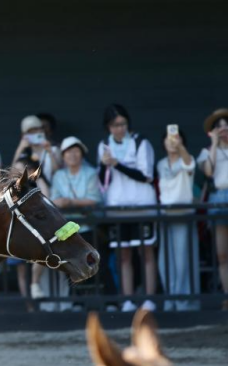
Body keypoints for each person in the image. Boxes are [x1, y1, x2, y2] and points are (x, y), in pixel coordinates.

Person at [97, 104, 157, 312]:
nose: (119, 128)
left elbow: (146, 176)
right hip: (118, 208)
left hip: (142, 205)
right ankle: (127, 299)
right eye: (114, 125)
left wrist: (117, 164)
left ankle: (149, 298)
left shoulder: (141, 142)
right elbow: (102, 180)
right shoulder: (104, 145)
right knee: (123, 255)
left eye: (122, 123)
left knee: (146, 252)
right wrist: (106, 165)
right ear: (108, 127)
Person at [32, 137, 104, 303]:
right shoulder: (59, 175)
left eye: (76, 151)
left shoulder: (90, 173)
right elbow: (54, 200)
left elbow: (94, 198)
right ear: (63, 156)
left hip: (88, 226)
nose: (72, 155)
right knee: (70, 266)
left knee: (93, 264)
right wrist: (64, 202)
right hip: (65, 229)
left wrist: (71, 202)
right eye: (68, 152)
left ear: (82, 154)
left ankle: (96, 302)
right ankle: (74, 301)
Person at [158, 128, 199, 311]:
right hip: (166, 216)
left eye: (176, 137)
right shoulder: (160, 164)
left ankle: (185, 301)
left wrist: (180, 146)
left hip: (184, 214)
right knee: (164, 261)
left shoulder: (187, 159)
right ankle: (171, 298)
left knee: (183, 260)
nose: (172, 141)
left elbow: (189, 164)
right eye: (169, 138)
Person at [198, 108, 228, 310]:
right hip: (218, 199)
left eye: (226, 124)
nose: (224, 128)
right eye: (219, 126)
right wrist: (216, 145)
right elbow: (208, 171)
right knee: (222, 254)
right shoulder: (206, 152)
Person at [11, 115, 58, 196]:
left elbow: (57, 172)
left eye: (36, 130)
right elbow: (12, 175)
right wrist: (19, 149)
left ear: (42, 130)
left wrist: (49, 151)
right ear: (24, 135)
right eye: (30, 132)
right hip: (30, 194)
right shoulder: (23, 153)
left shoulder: (53, 149)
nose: (34, 133)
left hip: (54, 192)